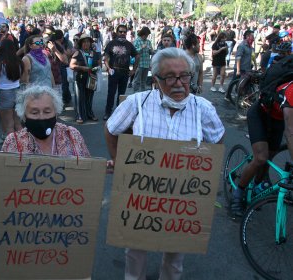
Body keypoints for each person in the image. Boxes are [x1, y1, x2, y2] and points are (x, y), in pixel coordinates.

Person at [104, 47, 225, 280]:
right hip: (140, 193)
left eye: (185, 76)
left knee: (176, 250)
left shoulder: (203, 109)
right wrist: (121, 163)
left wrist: (205, 173)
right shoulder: (136, 103)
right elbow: (111, 130)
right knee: (135, 246)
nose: (178, 83)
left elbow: (218, 139)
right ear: (156, 78)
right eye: (170, 77)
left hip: (182, 197)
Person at [230, 63, 293, 218]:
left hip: (276, 120)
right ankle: (238, 193)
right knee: (261, 158)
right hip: (260, 115)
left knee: (269, 160)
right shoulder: (291, 91)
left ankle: (257, 187)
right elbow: (290, 131)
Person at [0, 85, 90, 175]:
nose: (41, 117)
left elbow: (89, 169)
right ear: (24, 116)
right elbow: (5, 177)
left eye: (47, 111)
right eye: (34, 113)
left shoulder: (72, 135)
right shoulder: (13, 142)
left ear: (56, 113)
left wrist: (103, 168)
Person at [0, 39, 23, 136]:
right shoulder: (19, 62)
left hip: (4, 93)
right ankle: (23, 144)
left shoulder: (1, 64)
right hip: (18, 91)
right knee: (18, 123)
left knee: (9, 125)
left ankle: (12, 148)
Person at [103, 24, 139, 120]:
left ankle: (119, 113)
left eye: (124, 32)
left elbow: (137, 56)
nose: (122, 33)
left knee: (121, 94)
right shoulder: (111, 43)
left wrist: (134, 70)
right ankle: (108, 112)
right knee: (111, 93)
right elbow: (105, 57)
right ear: (117, 32)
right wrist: (108, 67)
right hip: (113, 71)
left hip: (125, 73)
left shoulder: (129, 44)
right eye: (120, 31)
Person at [70, 34, 101, 124]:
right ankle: (79, 115)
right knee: (80, 97)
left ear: (90, 43)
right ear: (81, 43)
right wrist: (82, 68)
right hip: (80, 78)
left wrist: (97, 68)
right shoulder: (77, 53)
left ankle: (89, 113)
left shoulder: (95, 53)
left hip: (91, 78)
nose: (86, 44)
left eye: (88, 42)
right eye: (84, 42)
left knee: (89, 97)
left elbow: (100, 64)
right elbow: (71, 65)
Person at [132, 26, 153, 92]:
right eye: (146, 35)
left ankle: (143, 94)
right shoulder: (137, 41)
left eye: (147, 35)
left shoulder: (148, 42)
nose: (146, 36)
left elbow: (150, 52)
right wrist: (141, 47)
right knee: (137, 80)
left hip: (146, 63)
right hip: (139, 63)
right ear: (142, 34)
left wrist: (151, 51)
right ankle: (135, 93)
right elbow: (134, 52)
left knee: (144, 81)